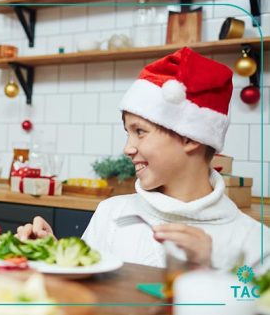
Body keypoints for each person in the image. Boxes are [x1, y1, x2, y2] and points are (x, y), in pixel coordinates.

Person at [17, 47, 269, 272]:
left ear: (191, 138)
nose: (128, 148)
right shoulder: (111, 213)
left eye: (140, 131)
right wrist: (53, 256)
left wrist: (218, 266)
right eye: (128, 132)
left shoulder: (255, 244)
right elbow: (84, 294)